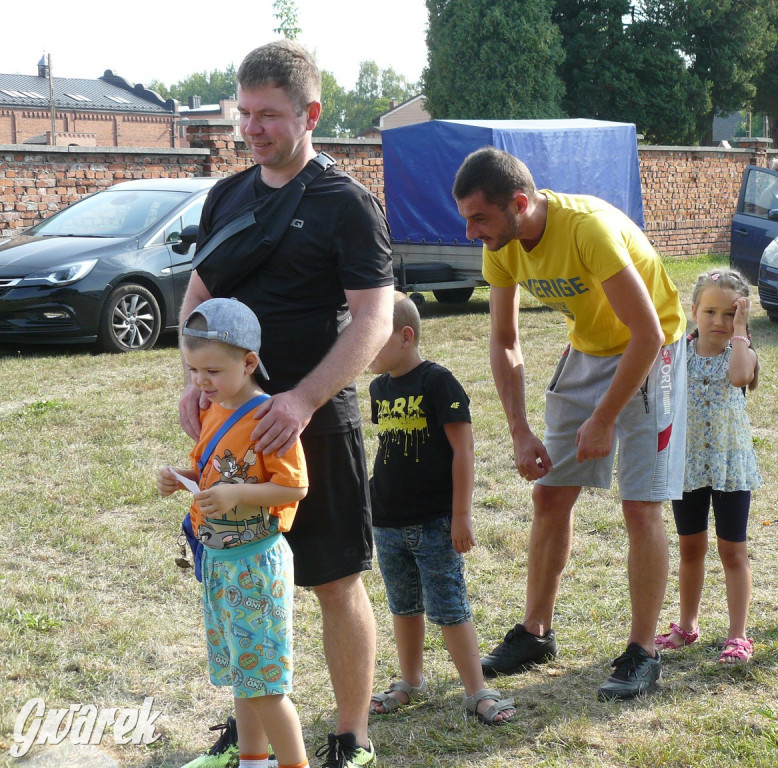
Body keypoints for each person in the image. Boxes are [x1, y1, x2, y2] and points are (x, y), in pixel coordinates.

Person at [177, 41, 394, 768]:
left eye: (268, 114)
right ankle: (252, 735)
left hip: (313, 419)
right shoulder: (227, 196)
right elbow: (200, 298)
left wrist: (301, 398)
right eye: (244, 113)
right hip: (233, 423)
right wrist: (193, 381)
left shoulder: (347, 205)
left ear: (310, 114)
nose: (252, 128)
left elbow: (374, 319)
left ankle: (352, 737)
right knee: (237, 577)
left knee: (334, 579)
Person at [452, 147, 687, 701]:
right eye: (465, 218)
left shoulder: (588, 230)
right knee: (550, 496)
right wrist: (518, 428)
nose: (470, 232)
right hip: (587, 352)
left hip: (650, 351)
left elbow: (648, 334)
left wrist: (605, 418)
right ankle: (536, 632)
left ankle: (643, 650)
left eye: (479, 218)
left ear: (519, 203)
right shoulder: (503, 246)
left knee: (640, 504)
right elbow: (505, 341)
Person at [159, 298, 310, 768]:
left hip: (256, 565)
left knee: (265, 685)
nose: (201, 383)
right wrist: (182, 475)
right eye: (193, 370)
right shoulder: (214, 408)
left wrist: (234, 497)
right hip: (223, 565)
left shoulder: (269, 417)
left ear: (248, 363)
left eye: (212, 371)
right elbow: (220, 471)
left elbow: (295, 486)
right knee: (245, 678)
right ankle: (252, 761)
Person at [366, 293, 516, 726]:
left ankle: (477, 690)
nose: (363, 351)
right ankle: (411, 681)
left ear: (405, 336)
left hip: (434, 522)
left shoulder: (438, 382)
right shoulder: (379, 388)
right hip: (388, 521)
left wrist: (462, 514)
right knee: (403, 604)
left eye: (371, 339)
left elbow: (463, 449)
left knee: (449, 606)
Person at [655, 269, 761, 664]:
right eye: (710, 312)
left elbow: (738, 377)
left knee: (732, 550)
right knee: (690, 548)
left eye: (729, 314)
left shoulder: (742, 352)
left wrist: (741, 332)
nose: (718, 321)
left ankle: (738, 635)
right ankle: (687, 624)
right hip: (687, 466)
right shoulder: (678, 350)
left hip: (729, 466)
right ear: (694, 311)